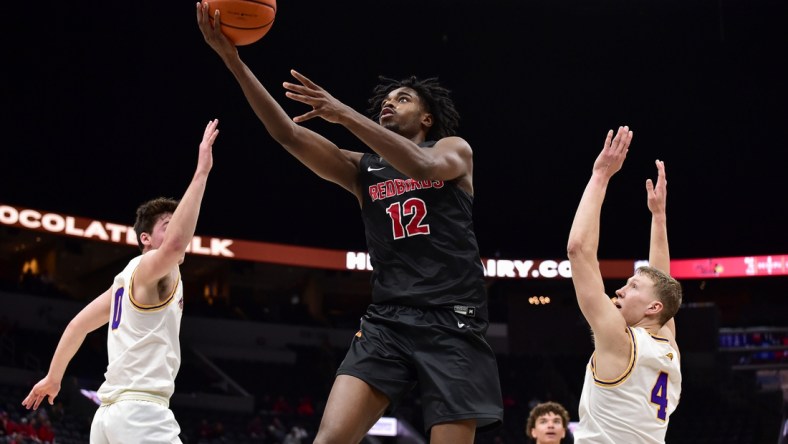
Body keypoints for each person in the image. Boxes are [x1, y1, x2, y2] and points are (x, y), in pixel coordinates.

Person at [196, 4, 503, 443]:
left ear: (427, 118)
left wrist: (343, 114)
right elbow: (289, 134)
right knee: (329, 439)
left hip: (451, 319)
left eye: (402, 98)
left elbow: (421, 167)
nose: (388, 103)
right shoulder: (365, 169)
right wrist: (233, 60)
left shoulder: (452, 150)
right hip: (387, 321)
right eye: (385, 99)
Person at [22, 119, 221, 443]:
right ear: (146, 238)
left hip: (108, 418)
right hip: (141, 415)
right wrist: (201, 173)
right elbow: (173, 246)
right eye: (166, 225)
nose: (176, 232)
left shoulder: (122, 282)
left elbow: (76, 326)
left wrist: (53, 378)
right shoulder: (147, 268)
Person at [566, 126, 682, 443]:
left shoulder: (620, 341)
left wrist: (600, 175)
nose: (619, 289)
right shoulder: (667, 346)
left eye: (631, 287)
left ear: (652, 308)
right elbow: (662, 283)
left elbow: (578, 250)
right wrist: (658, 218)